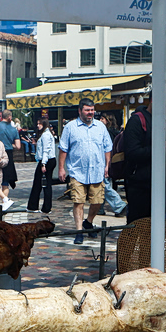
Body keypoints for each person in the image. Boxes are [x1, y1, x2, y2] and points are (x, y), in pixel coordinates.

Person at [58, 99, 112, 245]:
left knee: (97, 201)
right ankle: (79, 231)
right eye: (87, 110)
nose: (90, 113)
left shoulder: (100, 126)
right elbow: (63, 149)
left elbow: (107, 147)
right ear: (80, 110)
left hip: (97, 170)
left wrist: (107, 165)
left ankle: (88, 222)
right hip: (77, 171)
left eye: (92, 110)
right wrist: (61, 168)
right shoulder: (70, 127)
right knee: (78, 201)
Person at [124, 91, 166, 224]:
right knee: (138, 226)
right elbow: (132, 153)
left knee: (159, 224)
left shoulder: (165, 121)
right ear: (153, 100)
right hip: (140, 185)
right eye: (165, 101)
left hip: (163, 184)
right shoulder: (137, 121)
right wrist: (161, 148)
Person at [98, 113, 127, 217]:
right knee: (103, 185)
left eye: (102, 118)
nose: (100, 120)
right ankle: (99, 207)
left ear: (108, 120)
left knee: (104, 185)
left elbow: (107, 149)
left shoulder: (107, 132)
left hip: (106, 162)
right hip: (112, 161)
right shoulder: (115, 131)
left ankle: (119, 205)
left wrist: (107, 164)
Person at [27, 119, 56, 214]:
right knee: (40, 183)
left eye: (40, 124)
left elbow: (46, 150)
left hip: (47, 160)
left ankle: (43, 207)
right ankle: (35, 206)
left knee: (43, 184)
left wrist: (43, 164)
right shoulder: (44, 134)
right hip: (46, 160)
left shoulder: (46, 135)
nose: (38, 125)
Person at [0, 110, 21, 210]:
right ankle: (4, 201)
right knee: (5, 181)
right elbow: (18, 146)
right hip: (8, 154)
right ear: (9, 117)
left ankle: (3, 200)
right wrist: (11, 145)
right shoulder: (14, 130)